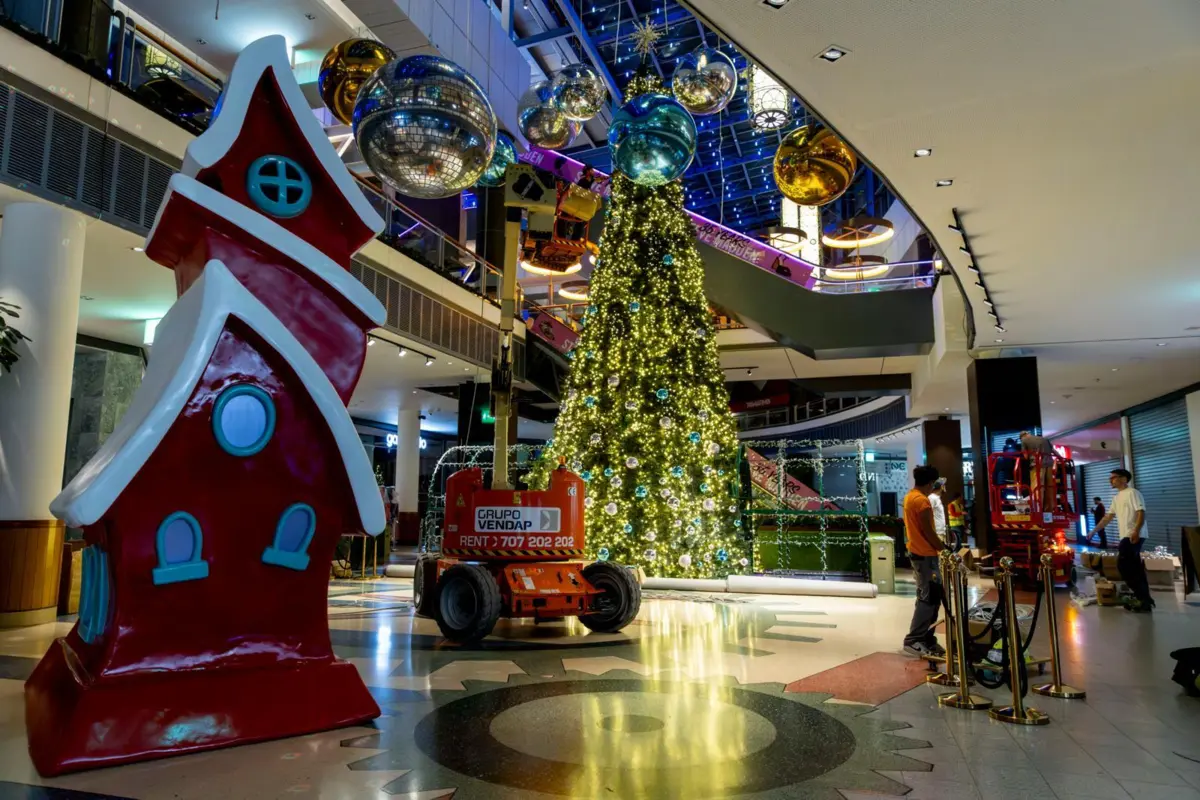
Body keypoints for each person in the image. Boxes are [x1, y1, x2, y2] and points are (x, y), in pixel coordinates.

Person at [1091, 469, 1153, 612]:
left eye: (1113, 478)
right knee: (1136, 568)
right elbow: (1108, 517)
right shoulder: (1116, 498)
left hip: (1133, 535)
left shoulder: (1133, 493)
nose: (1111, 480)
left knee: (1124, 565)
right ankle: (1144, 600)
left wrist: (1136, 530)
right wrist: (1093, 531)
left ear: (1124, 479)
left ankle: (1141, 597)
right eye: (1110, 478)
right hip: (1126, 535)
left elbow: (1140, 512)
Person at [902, 465, 948, 657]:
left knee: (932, 596)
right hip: (926, 555)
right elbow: (928, 531)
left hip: (919, 553)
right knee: (928, 598)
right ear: (931, 482)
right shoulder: (922, 502)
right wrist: (943, 548)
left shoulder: (910, 496)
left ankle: (927, 638)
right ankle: (914, 639)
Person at [1020, 430, 1056, 511]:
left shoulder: (1024, 440)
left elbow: (1025, 456)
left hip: (1037, 466)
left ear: (1022, 436)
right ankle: (1049, 509)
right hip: (1049, 465)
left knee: (1037, 488)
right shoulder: (1045, 439)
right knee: (1049, 487)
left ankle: (1037, 509)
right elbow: (1053, 451)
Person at [929, 478, 948, 544]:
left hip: (940, 532)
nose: (945, 487)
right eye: (944, 485)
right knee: (941, 553)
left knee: (943, 553)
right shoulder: (932, 498)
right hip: (937, 532)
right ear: (941, 486)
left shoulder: (936, 498)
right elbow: (928, 514)